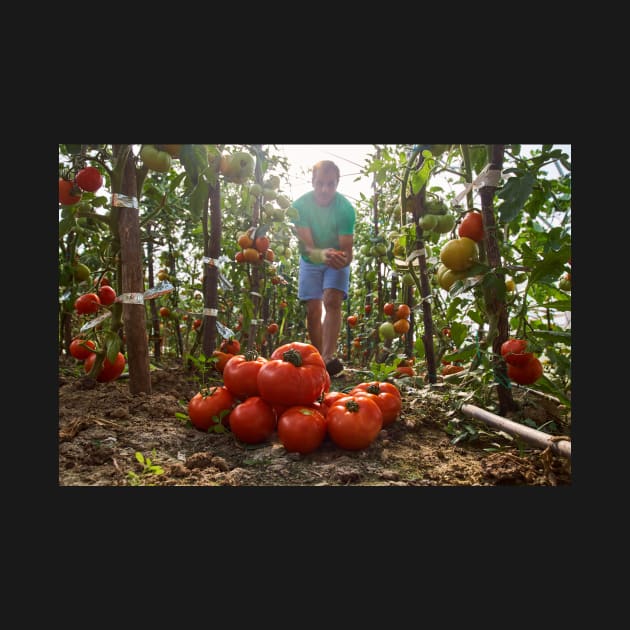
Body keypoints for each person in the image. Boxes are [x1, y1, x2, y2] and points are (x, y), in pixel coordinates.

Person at [293, 160, 356, 377]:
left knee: (332, 300)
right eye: (320, 183)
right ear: (312, 182)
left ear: (337, 184)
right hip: (311, 258)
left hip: (335, 258)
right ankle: (318, 359)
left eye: (330, 184)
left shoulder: (346, 210)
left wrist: (342, 259)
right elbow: (308, 248)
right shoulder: (300, 206)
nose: (324, 190)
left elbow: (347, 252)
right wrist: (322, 254)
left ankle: (329, 357)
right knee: (313, 308)